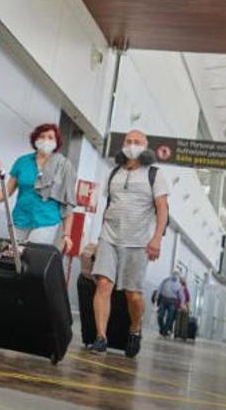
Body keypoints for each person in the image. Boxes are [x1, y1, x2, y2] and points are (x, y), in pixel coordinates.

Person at [90, 130, 169, 357]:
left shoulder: (154, 174)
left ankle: (135, 329)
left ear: (145, 146)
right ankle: (100, 337)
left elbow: (162, 208)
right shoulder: (113, 172)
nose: (132, 145)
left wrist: (156, 239)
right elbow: (104, 205)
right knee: (103, 284)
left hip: (138, 242)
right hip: (109, 237)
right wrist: (97, 239)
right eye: (128, 142)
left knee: (132, 294)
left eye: (137, 142)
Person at [0, 123, 76, 251]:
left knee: (31, 257)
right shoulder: (22, 162)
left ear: (57, 142)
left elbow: (69, 202)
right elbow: (7, 191)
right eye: (42, 136)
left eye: (50, 137)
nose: (46, 140)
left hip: (46, 220)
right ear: (35, 140)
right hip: (20, 218)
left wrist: (67, 234)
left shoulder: (64, 166)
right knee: (12, 258)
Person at [156, 268, 184, 337]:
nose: (175, 274)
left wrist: (182, 304)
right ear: (172, 273)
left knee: (170, 317)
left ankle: (165, 331)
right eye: (174, 273)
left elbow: (182, 296)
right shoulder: (166, 280)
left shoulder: (179, 285)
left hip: (172, 302)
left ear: (179, 275)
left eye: (177, 273)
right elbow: (160, 288)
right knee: (160, 316)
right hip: (163, 300)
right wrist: (156, 296)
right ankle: (162, 329)